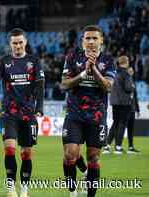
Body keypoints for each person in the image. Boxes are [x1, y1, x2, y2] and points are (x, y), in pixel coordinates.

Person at [0, 28, 44, 197]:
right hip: (9, 113)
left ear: (25, 42)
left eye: (20, 42)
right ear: (10, 44)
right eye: (14, 43)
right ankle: (11, 186)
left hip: (29, 113)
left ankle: (24, 188)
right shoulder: (3, 62)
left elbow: (40, 86)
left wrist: (40, 108)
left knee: (26, 153)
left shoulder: (34, 61)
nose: (17, 45)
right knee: (9, 149)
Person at [61, 25, 116, 197]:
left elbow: (107, 87)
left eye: (94, 38)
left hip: (97, 116)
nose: (91, 42)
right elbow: (65, 84)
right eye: (88, 38)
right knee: (70, 154)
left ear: (101, 41)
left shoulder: (108, 60)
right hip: (74, 114)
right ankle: (72, 192)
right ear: (82, 41)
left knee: (93, 157)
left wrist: (94, 69)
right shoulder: (72, 57)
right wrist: (84, 72)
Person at [103, 56, 137, 154]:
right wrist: (132, 86)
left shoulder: (115, 72)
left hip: (114, 102)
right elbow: (128, 87)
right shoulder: (126, 74)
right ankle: (118, 147)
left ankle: (107, 145)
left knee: (115, 123)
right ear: (126, 62)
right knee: (122, 124)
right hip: (124, 103)